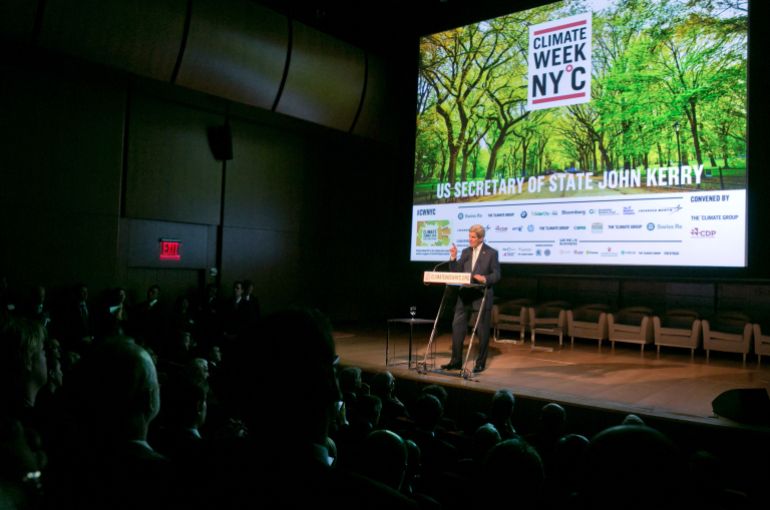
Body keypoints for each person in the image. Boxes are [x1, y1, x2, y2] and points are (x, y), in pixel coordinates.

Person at [441, 224, 500, 373]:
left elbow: (497, 274)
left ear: (481, 238)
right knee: (457, 327)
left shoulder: (491, 253)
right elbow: (456, 272)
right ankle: (456, 361)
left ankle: (480, 363)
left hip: (481, 296)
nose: (470, 239)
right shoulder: (466, 252)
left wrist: (484, 278)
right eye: (469, 236)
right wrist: (453, 258)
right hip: (465, 295)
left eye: (473, 237)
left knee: (482, 331)